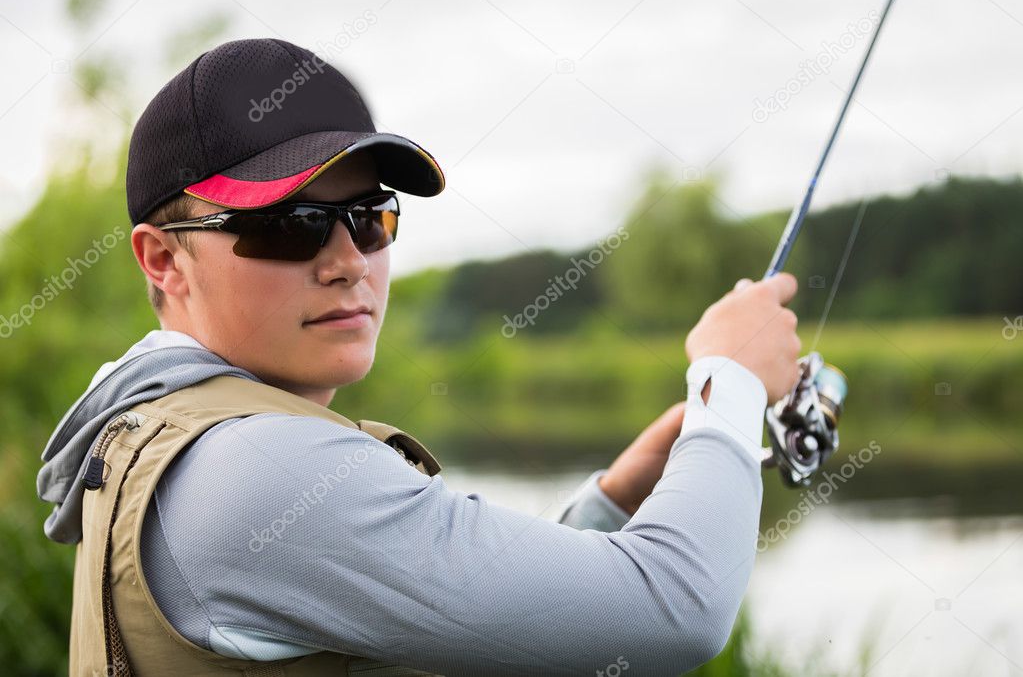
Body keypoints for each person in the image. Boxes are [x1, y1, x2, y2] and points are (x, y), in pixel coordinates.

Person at [36, 38, 801, 677]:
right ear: (163, 260)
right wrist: (728, 382)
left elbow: (461, 622)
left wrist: (608, 505)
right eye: (293, 225)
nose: (347, 261)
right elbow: (679, 612)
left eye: (368, 219)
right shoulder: (256, 469)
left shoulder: (152, 423)